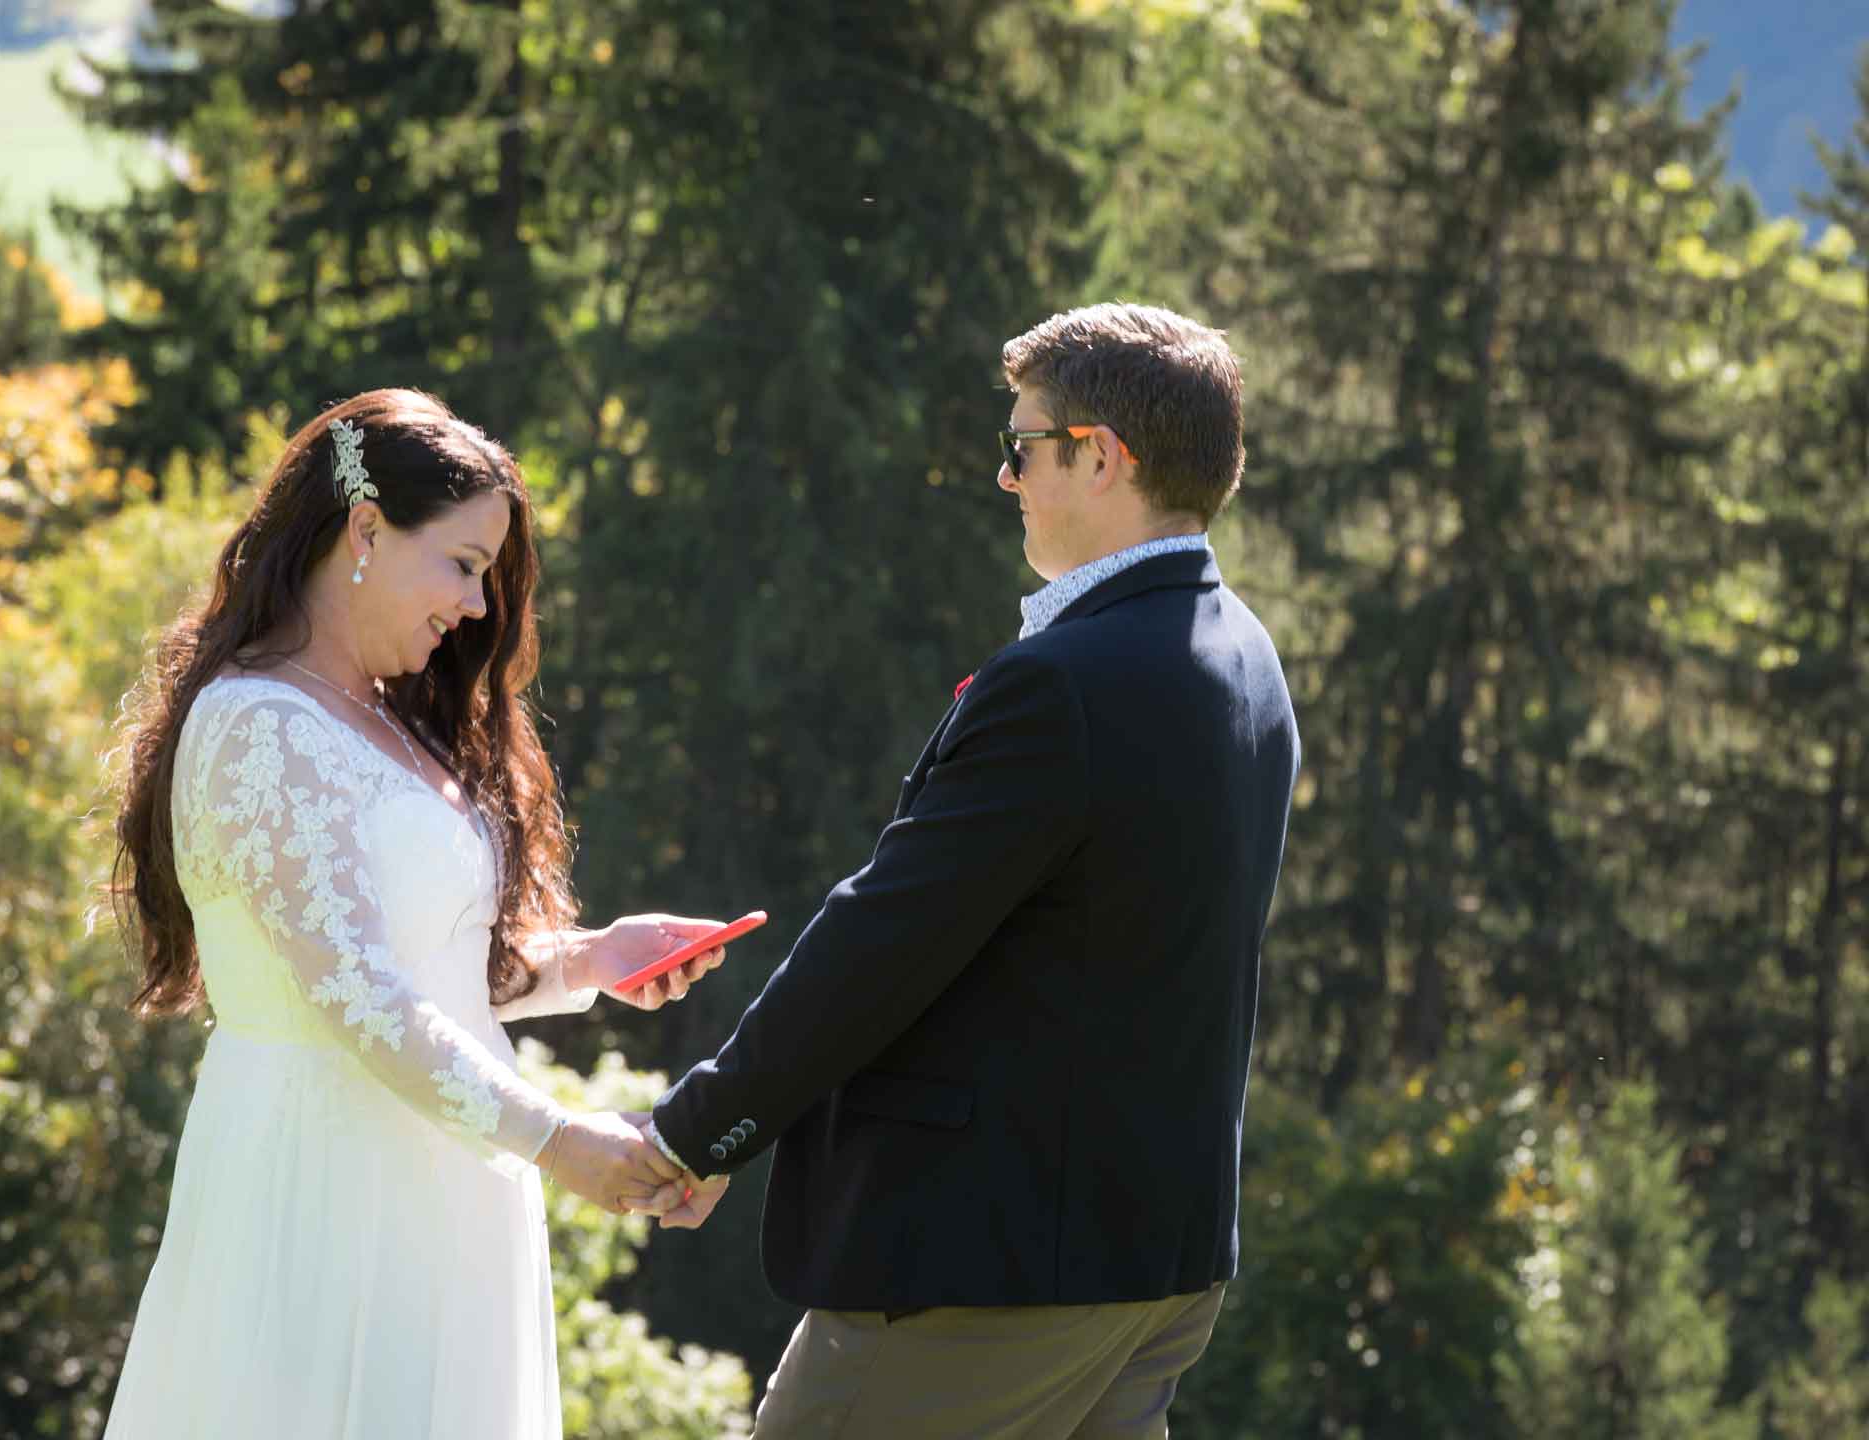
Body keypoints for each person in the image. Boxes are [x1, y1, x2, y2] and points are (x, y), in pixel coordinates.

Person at [645, 303, 1301, 1437]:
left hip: (991, 1267)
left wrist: (700, 1130)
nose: (1006, 478)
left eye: (1022, 447)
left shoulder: (1067, 685)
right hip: (1157, 1254)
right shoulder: (1243, 652)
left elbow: (885, 941)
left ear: (1101, 457)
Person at [102, 389, 728, 1440]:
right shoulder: (260, 725)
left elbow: (432, 969)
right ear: (364, 529)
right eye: (464, 564)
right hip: (327, 1183)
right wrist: (556, 1138)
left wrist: (589, 960)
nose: (478, 608)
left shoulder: (388, 719)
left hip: (450, 1185)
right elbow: (357, 995)